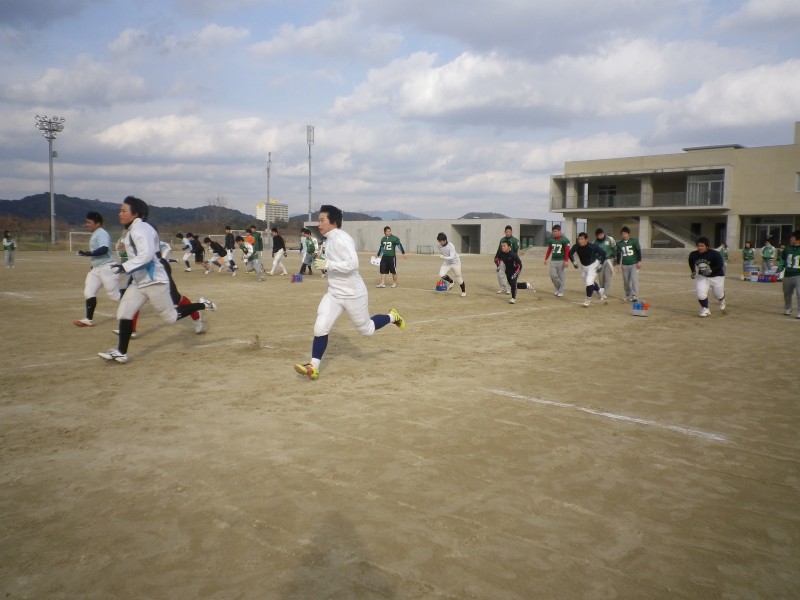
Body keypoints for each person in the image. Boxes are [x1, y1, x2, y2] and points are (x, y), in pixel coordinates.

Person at [98, 196, 217, 363]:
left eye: (123, 210)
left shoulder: (140, 229)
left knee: (170, 317)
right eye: (120, 210)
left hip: (154, 280)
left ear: (135, 213)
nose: (120, 214)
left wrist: (125, 267)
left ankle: (203, 304)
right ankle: (121, 352)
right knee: (124, 313)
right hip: (139, 281)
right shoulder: (134, 230)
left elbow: (146, 255)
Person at [294, 204, 405, 380]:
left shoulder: (342, 238)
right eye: (318, 220)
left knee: (366, 330)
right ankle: (313, 366)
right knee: (320, 327)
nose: (319, 224)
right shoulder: (328, 240)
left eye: (322, 220)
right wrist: (324, 262)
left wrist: (329, 264)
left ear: (333, 222)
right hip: (334, 293)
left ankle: (392, 317)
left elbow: (354, 264)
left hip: (354, 293)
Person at [73, 211, 121, 327]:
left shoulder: (101, 233)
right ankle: (88, 319)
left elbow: (104, 249)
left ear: (98, 223)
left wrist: (88, 253)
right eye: (86, 222)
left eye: (89, 222)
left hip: (107, 268)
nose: (87, 224)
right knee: (89, 291)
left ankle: (136, 296)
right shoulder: (96, 233)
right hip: (97, 269)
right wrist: (92, 263)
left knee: (115, 297)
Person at [688, 236, 726, 318]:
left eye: (702, 246)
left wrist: (710, 270)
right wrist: (693, 271)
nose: (700, 247)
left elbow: (720, 265)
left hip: (717, 276)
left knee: (717, 295)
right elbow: (691, 261)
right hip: (703, 276)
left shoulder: (715, 254)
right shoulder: (694, 254)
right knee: (700, 294)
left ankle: (722, 299)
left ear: (707, 246)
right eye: (698, 246)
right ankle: (705, 309)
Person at [568, 232, 606, 307]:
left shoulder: (592, 247)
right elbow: (570, 253)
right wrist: (574, 262)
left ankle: (588, 298)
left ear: (586, 239)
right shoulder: (576, 246)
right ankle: (599, 290)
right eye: (579, 239)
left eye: (582, 239)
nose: (580, 241)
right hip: (583, 266)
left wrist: (601, 264)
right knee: (589, 282)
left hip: (593, 265)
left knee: (589, 282)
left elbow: (603, 253)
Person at [496, 240, 534, 304]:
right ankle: (526, 285)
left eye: (504, 246)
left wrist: (515, 273)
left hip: (516, 269)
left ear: (509, 247)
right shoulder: (501, 253)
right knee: (512, 284)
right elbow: (498, 259)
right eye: (502, 246)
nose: (502, 247)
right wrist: (498, 266)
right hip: (508, 271)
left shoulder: (513, 255)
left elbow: (519, 265)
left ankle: (513, 298)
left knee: (513, 281)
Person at [615, 226, 642, 302]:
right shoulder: (619, 243)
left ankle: (634, 296)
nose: (624, 235)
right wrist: (618, 264)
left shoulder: (634, 241)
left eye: (625, 234)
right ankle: (628, 295)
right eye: (622, 234)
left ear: (628, 234)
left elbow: (638, 251)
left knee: (634, 280)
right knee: (626, 281)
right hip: (624, 264)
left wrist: (639, 261)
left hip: (633, 263)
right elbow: (618, 254)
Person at [436, 232, 466, 297]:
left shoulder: (451, 246)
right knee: (441, 274)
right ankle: (452, 282)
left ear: (445, 240)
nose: (439, 243)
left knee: (459, 278)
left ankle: (463, 291)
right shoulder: (439, 246)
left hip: (455, 262)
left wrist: (444, 257)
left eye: (440, 241)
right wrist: (443, 256)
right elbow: (443, 253)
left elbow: (452, 257)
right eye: (439, 241)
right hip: (447, 262)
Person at [544, 224, 570, 297]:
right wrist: (546, 258)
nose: (554, 233)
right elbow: (549, 250)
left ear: (559, 231)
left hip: (562, 260)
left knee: (561, 277)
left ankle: (561, 291)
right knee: (553, 276)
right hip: (553, 260)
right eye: (553, 231)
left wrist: (566, 260)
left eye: (555, 231)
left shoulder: (565, 240)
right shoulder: (551, 240)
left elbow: (567, 251)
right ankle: (558, 288)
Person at [494, 225, 519, 294]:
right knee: (500, 273)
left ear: (512, 232)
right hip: (502, 259)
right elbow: (499, 249)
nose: (508, 233)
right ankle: (503, 288)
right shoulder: (502, 240)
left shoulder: (515, 240)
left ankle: (509, 288)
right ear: (504, 232)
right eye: (507, 232)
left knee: (509, 274)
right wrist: (496, 257)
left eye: (509, 232)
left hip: (510, 260)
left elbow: (515, 251)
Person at [781, 231, 800, 318]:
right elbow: (783, 259)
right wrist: (780, 269)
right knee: (787, 293)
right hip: (788, 274)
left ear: (798, 239)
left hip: (798, 274)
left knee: (799, 293)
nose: (791, 239)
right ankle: (788, 308)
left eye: (792, 237)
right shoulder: (787, 249)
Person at [594, 228, 616, 300]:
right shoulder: (594, 242)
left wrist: (616, 259)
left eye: (602, 234)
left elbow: (615, 249)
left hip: (609, 259)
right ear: (596, 236)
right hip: (600, 261)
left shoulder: (610, 239)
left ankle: (605, 294)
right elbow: (593, 253)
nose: (601, 236)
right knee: (601, 278)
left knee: (607, 277)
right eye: (599, 235)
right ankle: (602, 291)